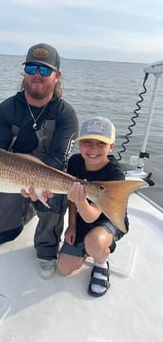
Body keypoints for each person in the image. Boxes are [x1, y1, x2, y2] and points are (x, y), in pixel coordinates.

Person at [0, 43, 79, 279]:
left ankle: (46, 246)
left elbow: (57, 159)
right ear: (24, 72)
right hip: (9, 177)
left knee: (54, 199)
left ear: (57, 76)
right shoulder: (6, 110)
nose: (37, 75)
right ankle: (26, 212)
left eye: (45, 70)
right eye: (31, 68)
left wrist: (36, 185)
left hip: (48, 178)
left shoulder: (65, 114)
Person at [57, 116, 128, 297]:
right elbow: (72, 199)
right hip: (82, 218)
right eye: (87, 142)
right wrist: (72, 225)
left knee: (94, 242)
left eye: (101, 144)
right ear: (79, 145)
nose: (93, 149)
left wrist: (81, 201)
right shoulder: (74, 162)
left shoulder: (114, 174)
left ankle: (101, 260)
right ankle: (89, 248)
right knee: (63, 268)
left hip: (109, 219)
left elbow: (92, 216)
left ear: (111, 147)